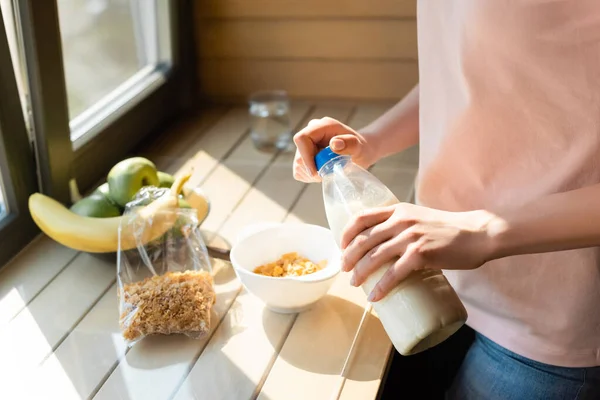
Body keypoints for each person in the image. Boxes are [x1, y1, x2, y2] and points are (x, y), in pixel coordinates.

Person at [291, 1, 600, 399]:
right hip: (439, 280)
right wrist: (372, 141)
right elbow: (474, 69)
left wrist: (483, 229)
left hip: (545, 330)